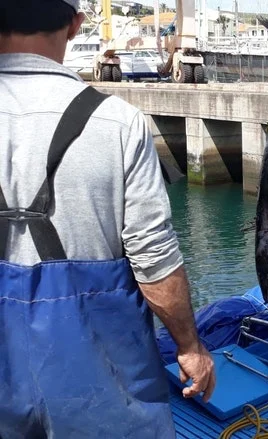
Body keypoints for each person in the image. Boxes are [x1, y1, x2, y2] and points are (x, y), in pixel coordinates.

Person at [0, 2, 215, 438]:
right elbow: (154, 262)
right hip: (97, 378)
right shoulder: (119, 124)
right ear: (76, 25)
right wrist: (190, 347)